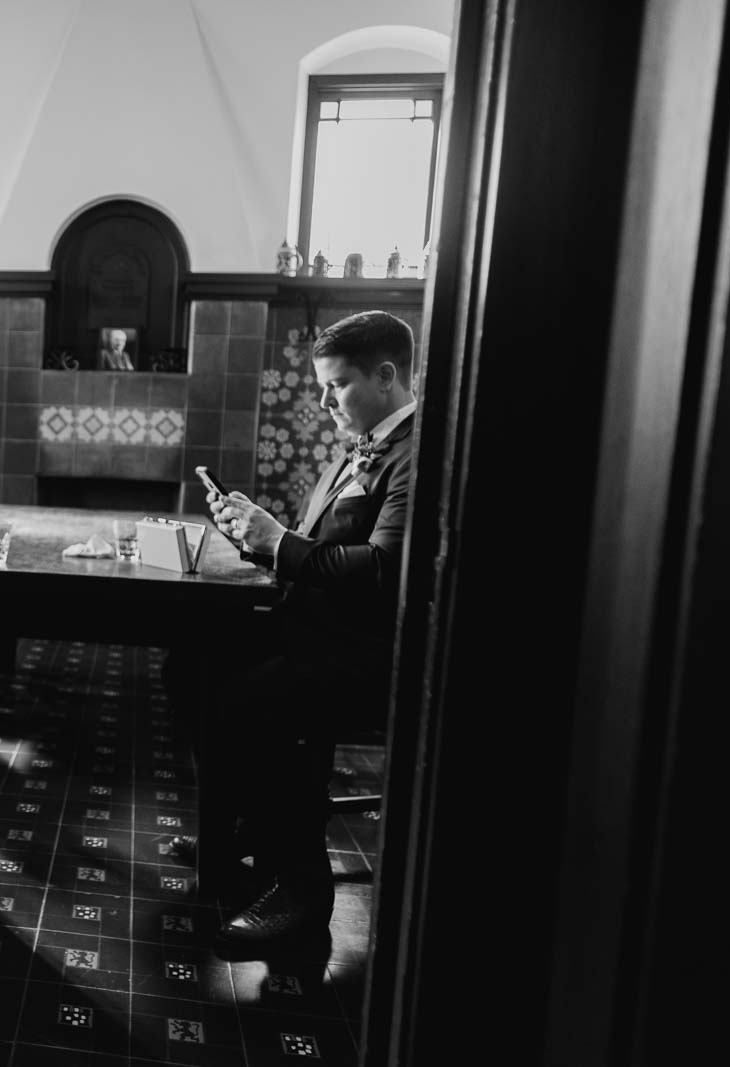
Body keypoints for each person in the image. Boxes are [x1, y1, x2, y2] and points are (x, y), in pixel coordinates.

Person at [203, 310, 418, 947]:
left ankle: (299, 891)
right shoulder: (361, 447)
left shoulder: (416, 452)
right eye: (320, 386)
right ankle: (234, 823)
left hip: (368, 650)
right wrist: (254, 536)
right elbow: (312, 547)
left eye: (338, 385)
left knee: (257, 701)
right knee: (193, 666)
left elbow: (384, 569)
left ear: (386, 375)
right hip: (315, 628)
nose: (325, 401)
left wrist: (282, 544)